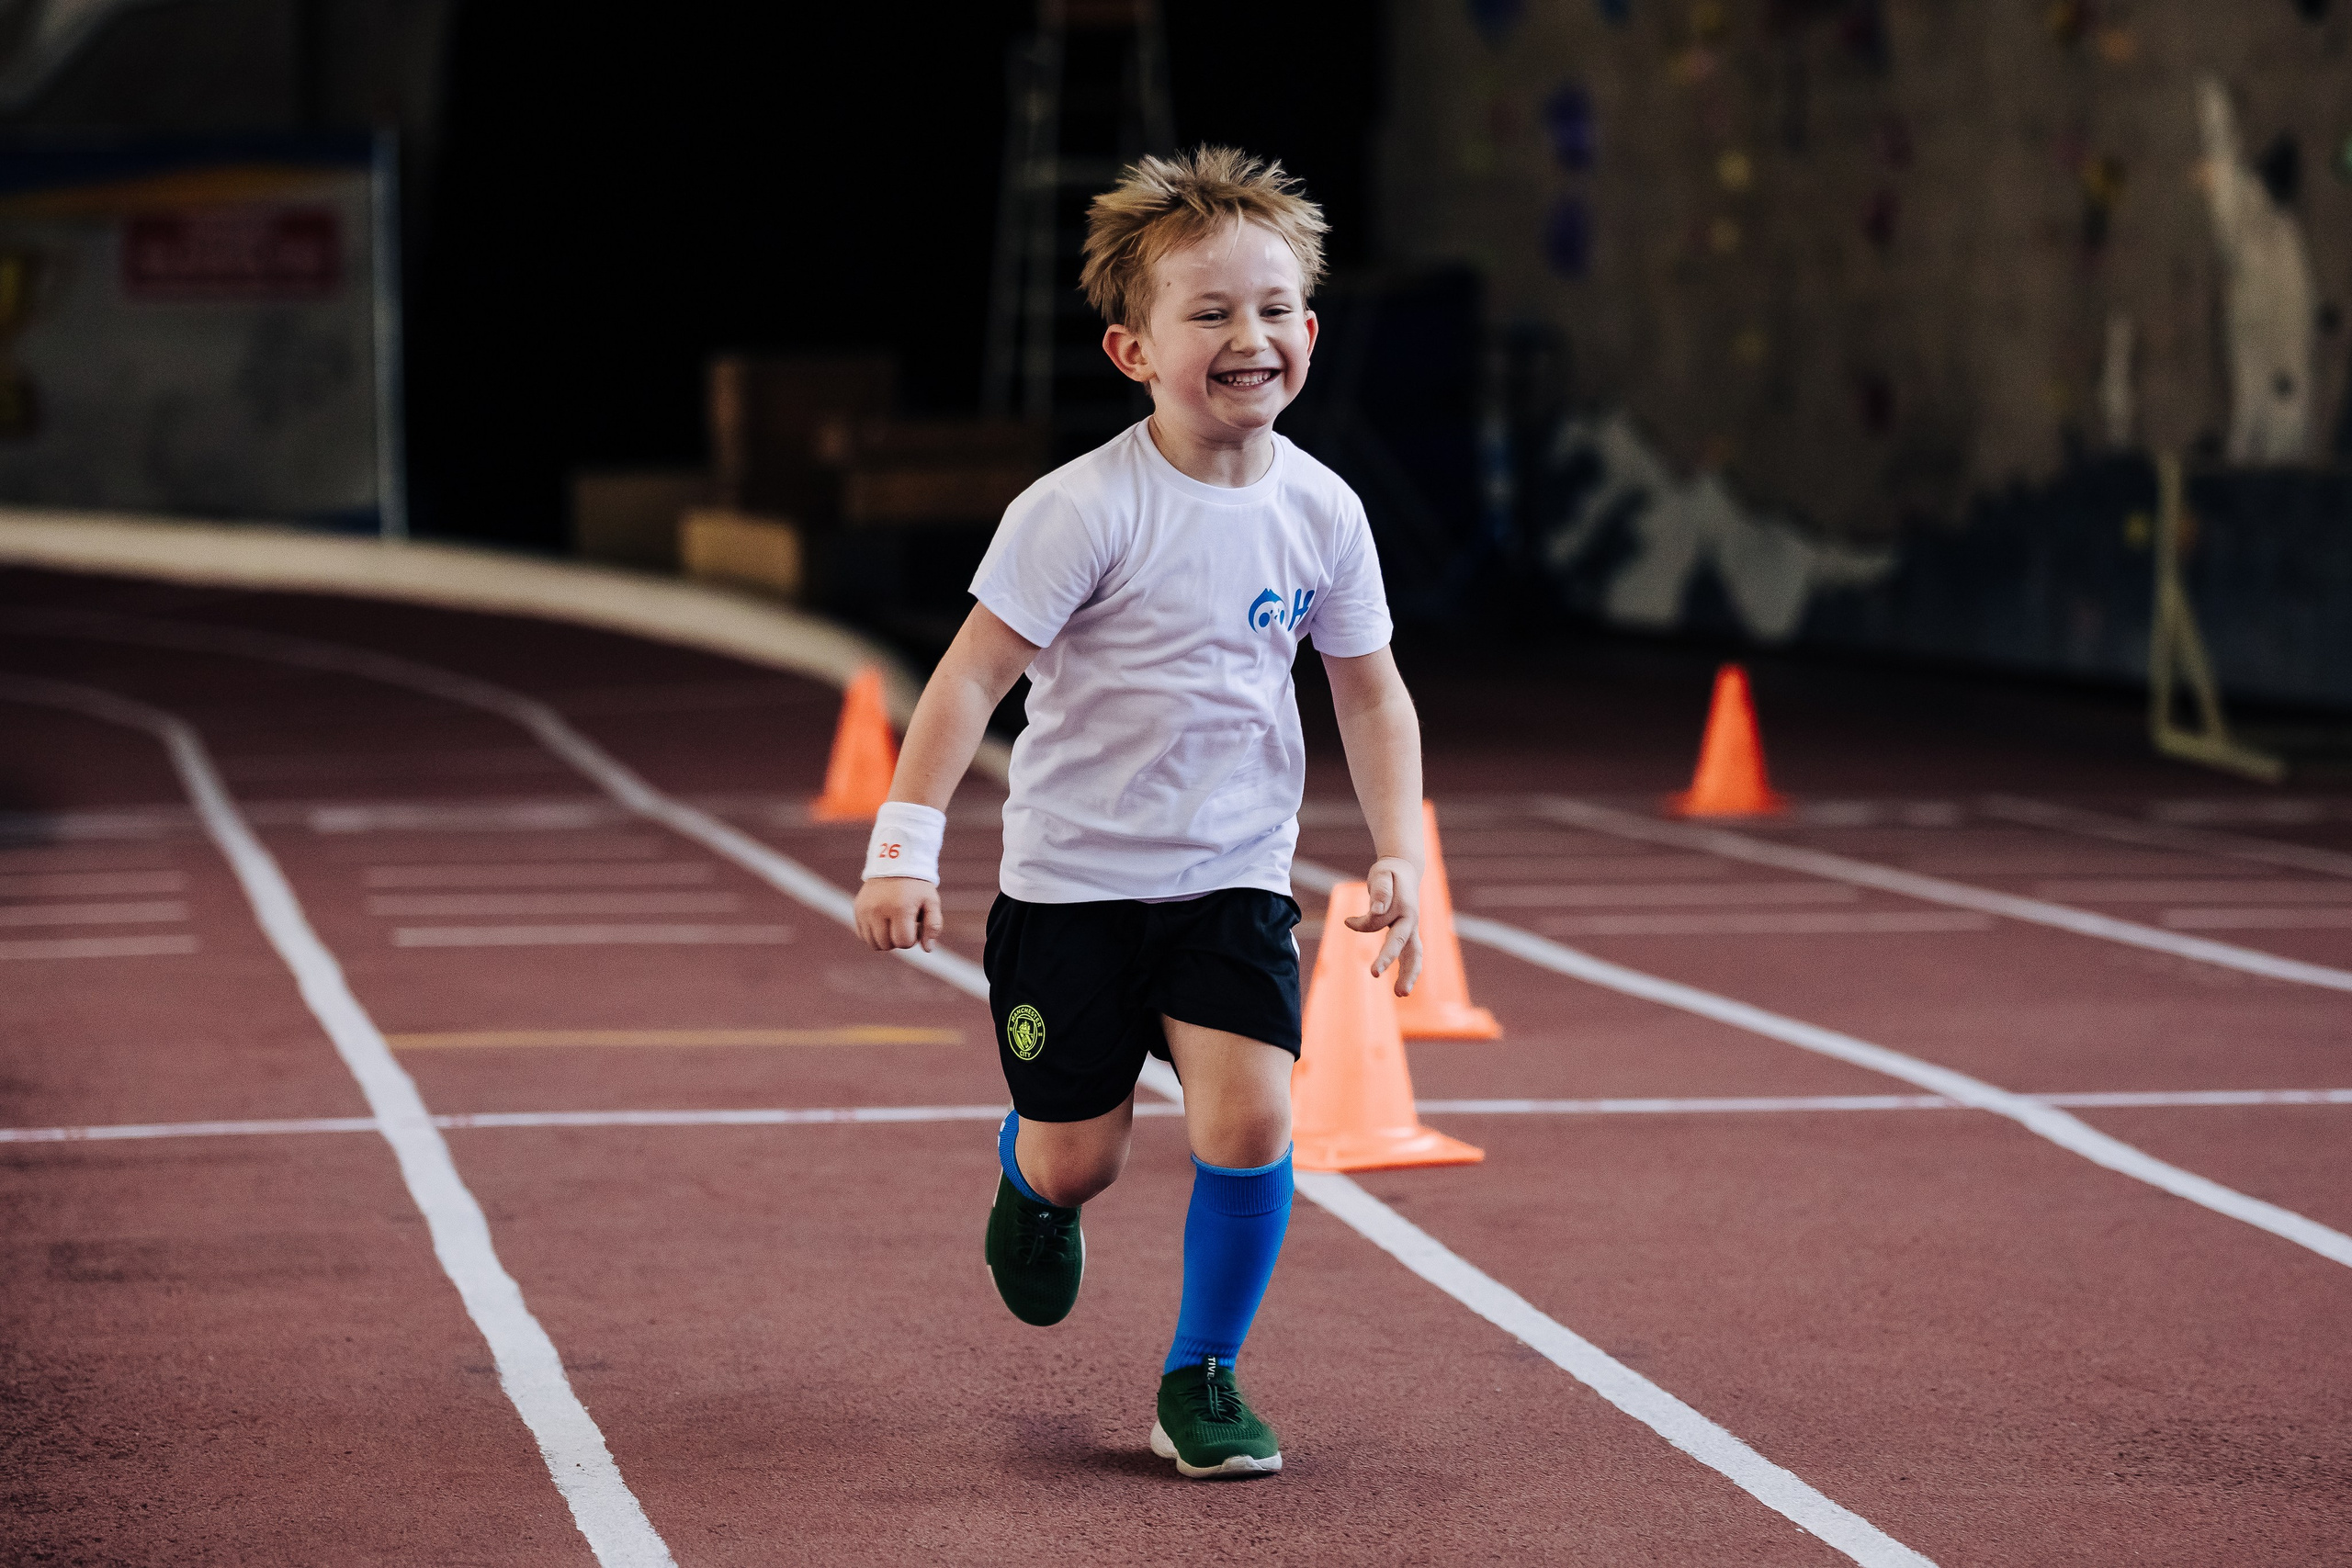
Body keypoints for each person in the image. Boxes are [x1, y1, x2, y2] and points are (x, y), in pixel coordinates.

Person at [853, 145, 1426, 1480]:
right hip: (1073, 890)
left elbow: (1373, 692)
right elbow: (968, 678)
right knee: (1080, 1160)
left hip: (1229, 878)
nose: (1252, 337)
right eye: (1212, 313)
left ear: (1313, 329)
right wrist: (904, 846)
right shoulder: (1081, 510)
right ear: (1132, 349)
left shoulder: (1325, 513)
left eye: (1276, 308)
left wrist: (1399, 850)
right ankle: (1028, 1179)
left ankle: (1203, 1376)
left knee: (1251, 1123)